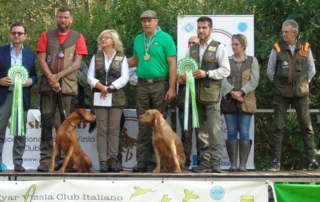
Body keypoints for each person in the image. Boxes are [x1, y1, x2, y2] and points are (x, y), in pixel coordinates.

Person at [36, 5, 88, 172]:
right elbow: (42, 60)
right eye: (60, 17)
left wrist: (58, 77)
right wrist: (51, 78)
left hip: (68, 87)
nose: (63, 20)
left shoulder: (78, 37)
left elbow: (77, 63)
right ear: (57, 18)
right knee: (46, 122)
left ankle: (63, 160)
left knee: (64, 126)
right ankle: (45, 159)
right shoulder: (46, 35)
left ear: (71, 19)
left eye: (66, 17)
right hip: (47, 87)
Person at [127, 10, 177, 172]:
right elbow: (135, 60)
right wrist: (115, 60)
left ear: (156, 21)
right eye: (144, 21)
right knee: (142, 122)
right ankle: (142, 162)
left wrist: (171, 87)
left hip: (160, 85)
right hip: (141, 85)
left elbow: (172, 64)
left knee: (161, 124)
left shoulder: (166, 38)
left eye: (150, 21)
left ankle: (162, 162)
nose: (146, 24)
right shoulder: (138, 39)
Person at [267, 19, 319, 171]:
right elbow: (270, 71)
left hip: (301, 93)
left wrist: (304, 82)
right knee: (278, 127)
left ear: (294, 33)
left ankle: (311, 161)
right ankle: (275, 162)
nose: (283, 34)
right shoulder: (277, 47)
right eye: (282, 31)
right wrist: (279, 84)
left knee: (307, 127)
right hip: (281, 94)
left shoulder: (305, 47)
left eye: (286, 32)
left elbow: (312, 69)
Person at [185, 16, 230, 173]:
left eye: (204, 28)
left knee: (213, 130)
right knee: (201, 131)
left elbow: (226, 70)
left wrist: (207, 73)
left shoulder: (219, 47)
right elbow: (186, 68)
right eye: (199, 27)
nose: (201, 30)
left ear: (211, 30)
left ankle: (216, 163)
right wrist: (185, 75)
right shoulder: (191, 49)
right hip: (195, 96)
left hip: (211, 96)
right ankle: (205, 163)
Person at [87, 29, 129, 172]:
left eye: (106, 37)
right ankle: (103, 161)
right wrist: (101, 87)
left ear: (113, 41)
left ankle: (113, 160)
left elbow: (125, 77)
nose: (103, 40)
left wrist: (110, 88)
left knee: (114, 130)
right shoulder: (96, 57)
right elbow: (90, 77)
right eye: (101, 37)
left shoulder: (121, 57)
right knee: (102, 130)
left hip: (116, 97)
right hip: (100, 97)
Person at [0, 21, 37, 172]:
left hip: (22, 97)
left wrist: (30, 81)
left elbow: (34, 75)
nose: (17, 35)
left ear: (25, 36)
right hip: (3, 97)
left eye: (20, 33)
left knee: (20, 132)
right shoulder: (0, 51)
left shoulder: (30, 55)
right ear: (10, 34)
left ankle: (18, 163)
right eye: (14, 32)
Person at [221, 34, 260, 171]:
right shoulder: (226, 60)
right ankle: (232, 165)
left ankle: (243, 165)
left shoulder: (252, 60)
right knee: (231, 132)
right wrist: (233, 93)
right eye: (232, 44)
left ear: (243, 45)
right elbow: (222, 79)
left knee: (244, 132)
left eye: (236, 44)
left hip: (246, 101)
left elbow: (255, 81)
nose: (233, 47)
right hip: (229, 102)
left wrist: (242, 92)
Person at [177, 36, 199, 170]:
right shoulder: (183, 62)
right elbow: (179, 80)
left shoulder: (204, 62)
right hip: (184, 103)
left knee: (202, 135)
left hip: (200, 102)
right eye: (189, 42)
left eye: (194, 43)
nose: (191, 44)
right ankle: (185, 163)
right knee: (186, 135)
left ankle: (203, 163)